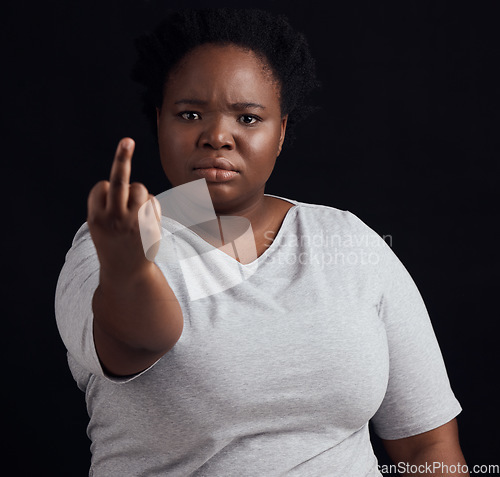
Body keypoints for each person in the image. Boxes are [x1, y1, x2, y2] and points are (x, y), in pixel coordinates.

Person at [55, 7, 468, 476]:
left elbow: (427, 447)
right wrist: (129, 269)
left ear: (282, 131)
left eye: (248, 118)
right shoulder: (107, 246)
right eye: (190, 114)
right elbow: (137, 342)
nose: (217, 136)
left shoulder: (350, 242)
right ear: (160, 121)